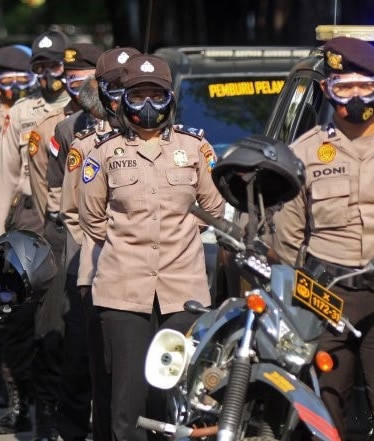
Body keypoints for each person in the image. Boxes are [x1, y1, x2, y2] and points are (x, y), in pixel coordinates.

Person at [271, 36, 374, 441]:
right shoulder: (305, 151)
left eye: (364, 85)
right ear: (327, 91)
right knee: (320, 417)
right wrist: (310, 285)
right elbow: (289, 232)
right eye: (343, 86)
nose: (355, 96)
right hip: (323, 296)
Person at [78, 53, 225, 441]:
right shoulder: (104, 152)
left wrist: (177, 230)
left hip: (183, 294)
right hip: (123, 294)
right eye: (137, 95)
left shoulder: (194, 148)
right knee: (127, 404)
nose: (147, 105)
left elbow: (214, 207)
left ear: (170, 99)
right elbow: (92, 220)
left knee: (172, 398)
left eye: (155, 96)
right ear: (122, 101)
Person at [0, 30, 71, 438]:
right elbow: (4, 176)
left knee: (59, 323)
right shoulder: (21, 113)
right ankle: (20, 406)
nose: (47, 74)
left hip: (70, 223)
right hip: (27, 220)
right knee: (12, 320)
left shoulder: (80, 108)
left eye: (54, 66)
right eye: (40, 67)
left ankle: (58, 409)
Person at [58, 46, 139, 441]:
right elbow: (74, 214)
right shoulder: (88, 146)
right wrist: (112, 252)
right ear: (103, 92)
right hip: (102, 275)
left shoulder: (179, 143)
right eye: (118, 87)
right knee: (104, 374)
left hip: (164, 280)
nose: (128, 95)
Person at [27, 42, 101, 441]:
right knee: (55, 332)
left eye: (83, 77)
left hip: (114, 243)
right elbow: (46, 188)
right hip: (63, 234)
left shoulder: (122, 120)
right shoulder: (57, 128)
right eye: (71, 78)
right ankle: (49, 420)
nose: (76, 84)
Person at [0, 44, 38, 411]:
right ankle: (5, 387)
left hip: (33, 215)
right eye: (7, 79)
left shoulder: (44, 114)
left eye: (22, 78)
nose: (14, 86)